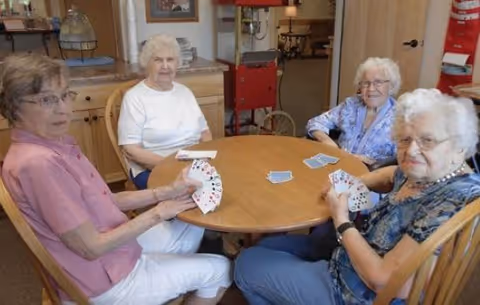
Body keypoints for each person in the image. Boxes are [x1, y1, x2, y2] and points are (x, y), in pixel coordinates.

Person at [0, 53, 231, 305]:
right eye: (47, 99)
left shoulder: (56, 144)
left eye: (65, 95)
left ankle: (172, 277)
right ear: (14, 106)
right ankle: (171, 279)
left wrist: (167, 191)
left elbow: (107, 200)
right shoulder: (38, 164)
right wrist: (158, 213)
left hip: (118, 250)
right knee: (219, 269)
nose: (63, 108)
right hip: (104, 279)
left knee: (194, 220)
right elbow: (92, 248)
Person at [234, 88, 480, 305]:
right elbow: (391, 174)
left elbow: (384, 281)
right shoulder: (427, 172)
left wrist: (341, 220)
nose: (412, 150)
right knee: (266, 245)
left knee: (246, 263)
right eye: (405, 139)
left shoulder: (452, 201)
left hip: (356, 293)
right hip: (351, 258)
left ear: (460, 146)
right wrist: (357, 182)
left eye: (427, 140)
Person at [118, 33, 212, 190]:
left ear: (177, 63)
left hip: (192, 164)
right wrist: (171, 165)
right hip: (153, 168)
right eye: (158, 60)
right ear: (147, 63)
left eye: (170, 60)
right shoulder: (134, 98)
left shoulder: (185, 92)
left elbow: (205, 133)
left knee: (226, 182)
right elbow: (131, 150)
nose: (165, 66)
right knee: (195, 192)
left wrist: (205, 160)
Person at [306, 57, 401, 166]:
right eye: (366, 83)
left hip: (373, 175)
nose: (370, 89)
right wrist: (327, 142)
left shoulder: (400, 117)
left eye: (378, 82)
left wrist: (374, 163)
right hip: (338, 167)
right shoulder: (351, 105)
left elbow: (403, 159)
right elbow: (315, 123)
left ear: (391, 86)